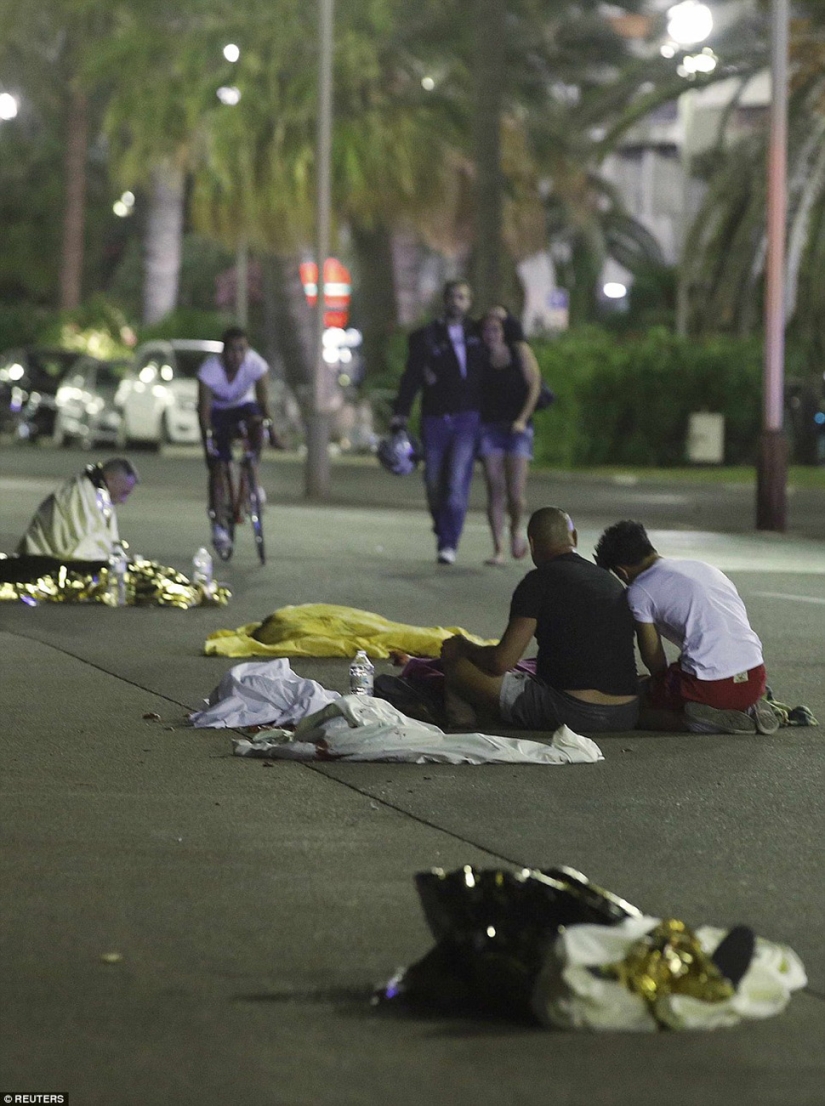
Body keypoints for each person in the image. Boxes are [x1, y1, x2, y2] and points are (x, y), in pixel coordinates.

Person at [440, 506, 640, 732]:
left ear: (532, 544)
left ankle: (463, 726)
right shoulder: (609, 580)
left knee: (457, 663)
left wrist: (464, 646)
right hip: (625, 713)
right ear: (574, 538)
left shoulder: (537, 582)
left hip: (570, 713)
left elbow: (501, 661)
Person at [593, 519, 778, 735]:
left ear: (622, 572)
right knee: (662, 682)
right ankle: (748, 706)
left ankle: (702, 721)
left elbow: (653, 656)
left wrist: (659, 690)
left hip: (713, 686)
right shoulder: (704, 568)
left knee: (633, 709)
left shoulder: (640, 591)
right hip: (755, 677)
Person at [390, 280, 486, 565]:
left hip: (467, 419)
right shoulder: (427, 336)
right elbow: (411, 377)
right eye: (453, 296)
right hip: (435, 419)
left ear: (469, 302)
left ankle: (448, 541)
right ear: (444, 301)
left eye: (463, 297)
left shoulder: (479, 333)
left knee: (457, 482)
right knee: (433, 481)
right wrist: (400, 414)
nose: (457, 302)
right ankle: (441, 524)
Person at [197, 326, 279, 555]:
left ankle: (251, 471)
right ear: (223, 352)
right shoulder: (209, 370)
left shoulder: (256, 365)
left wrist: (272, 433)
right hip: (217, 412)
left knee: (257, 421)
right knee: (217, 466)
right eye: (231, 350)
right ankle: (218, 526)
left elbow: (264, 404)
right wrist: (208, 442)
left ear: (247, 351)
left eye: (241, 350)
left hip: (243, 407)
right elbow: (204, 411)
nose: (236, 356)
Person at [477, 309, 542, 565]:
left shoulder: (519, 351)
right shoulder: (480, 357)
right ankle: (498, 548)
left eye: (495, 330)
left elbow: (534, 384)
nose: (490, 335)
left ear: (504, 332)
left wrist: (522, 419)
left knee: (515, 493)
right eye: (486, 331)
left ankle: (515, 529)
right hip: (490, 428)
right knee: (495, 488)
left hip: (518, 429)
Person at [16, 457, 139, 563]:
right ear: (110, 479)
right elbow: (81, 548)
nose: (123, 501)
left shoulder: (98, 494)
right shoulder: (77, 495)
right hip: (38, 565)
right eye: (124, 493)